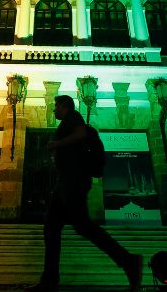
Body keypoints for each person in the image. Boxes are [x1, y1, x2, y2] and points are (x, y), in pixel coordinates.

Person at [25, 95, 143, 292]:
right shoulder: (68, 121)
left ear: (64, 106)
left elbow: (80, 134)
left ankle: (129, 261)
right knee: (51, 228)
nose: (54, 110)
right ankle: (49, 280)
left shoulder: (73, 117)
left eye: (56, 106)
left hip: (73, 181)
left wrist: (56, 145)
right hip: (65, 181)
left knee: (82, 225)